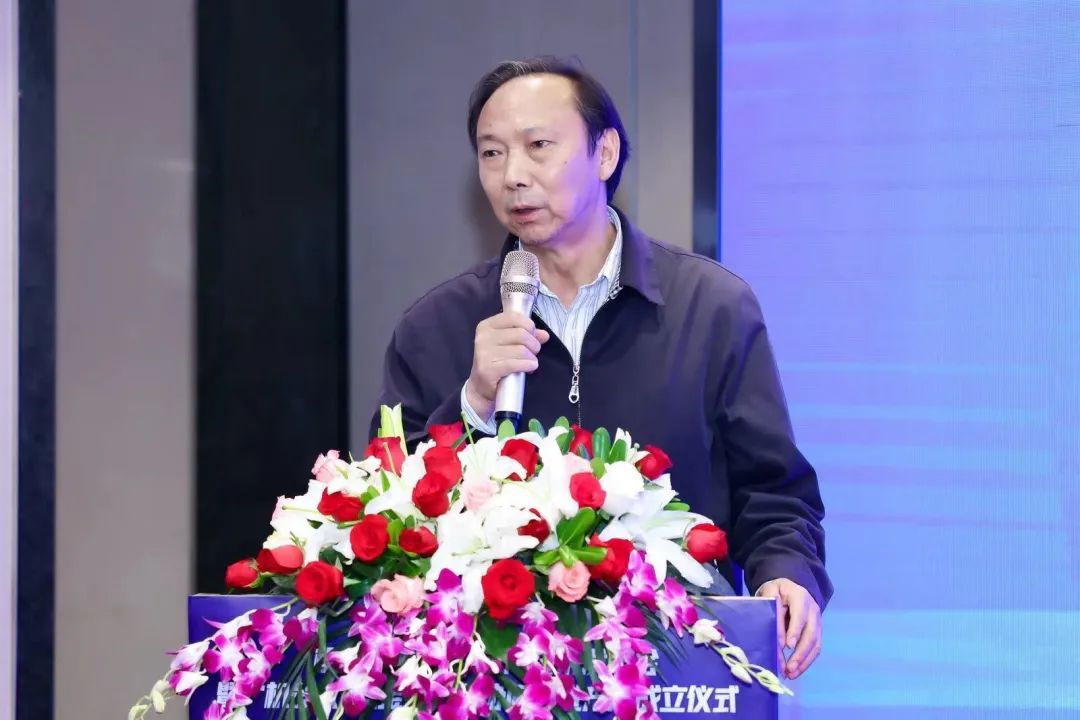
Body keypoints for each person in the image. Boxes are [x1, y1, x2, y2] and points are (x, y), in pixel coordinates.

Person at [372, 57, 831, 680]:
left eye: (538, 146)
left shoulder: (710, 306)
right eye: (491, 153)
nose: (513, 176)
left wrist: (785, 573)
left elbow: (773, 490)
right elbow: (386, 517)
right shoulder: (437, 325)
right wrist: (473, 400)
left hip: (680, 663)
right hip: (499, 676)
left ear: (605, 153)